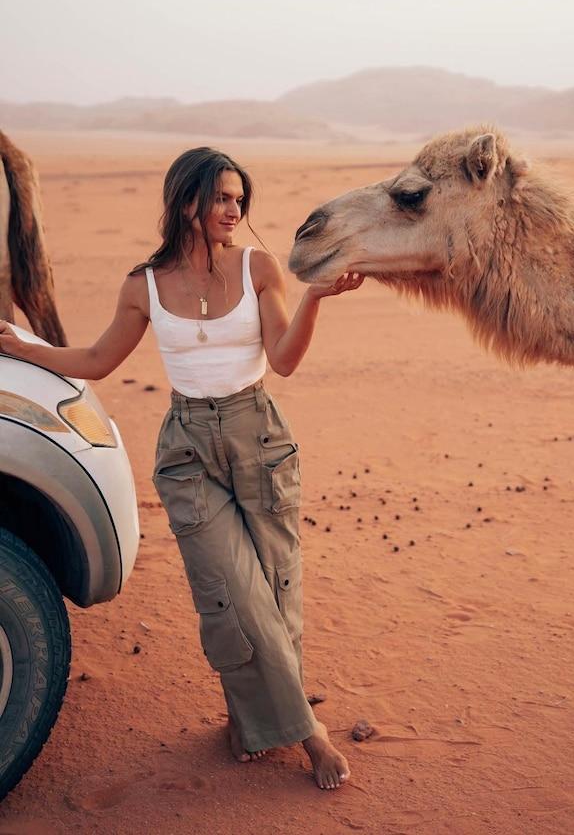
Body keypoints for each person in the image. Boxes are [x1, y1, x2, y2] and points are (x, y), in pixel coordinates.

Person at [0, 147, 362, 790]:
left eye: (238, 198)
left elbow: (282, 360)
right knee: (232, 594)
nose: (234, 209)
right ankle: (310, 733)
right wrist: (32, 349)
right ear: (187, 202)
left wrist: (313, 301)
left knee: (277, 589)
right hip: (188, 449)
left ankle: (252, 723)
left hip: (259, 437)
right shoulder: (144, 284)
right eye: (221, 197)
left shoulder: (259, 267)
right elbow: (98, 359)